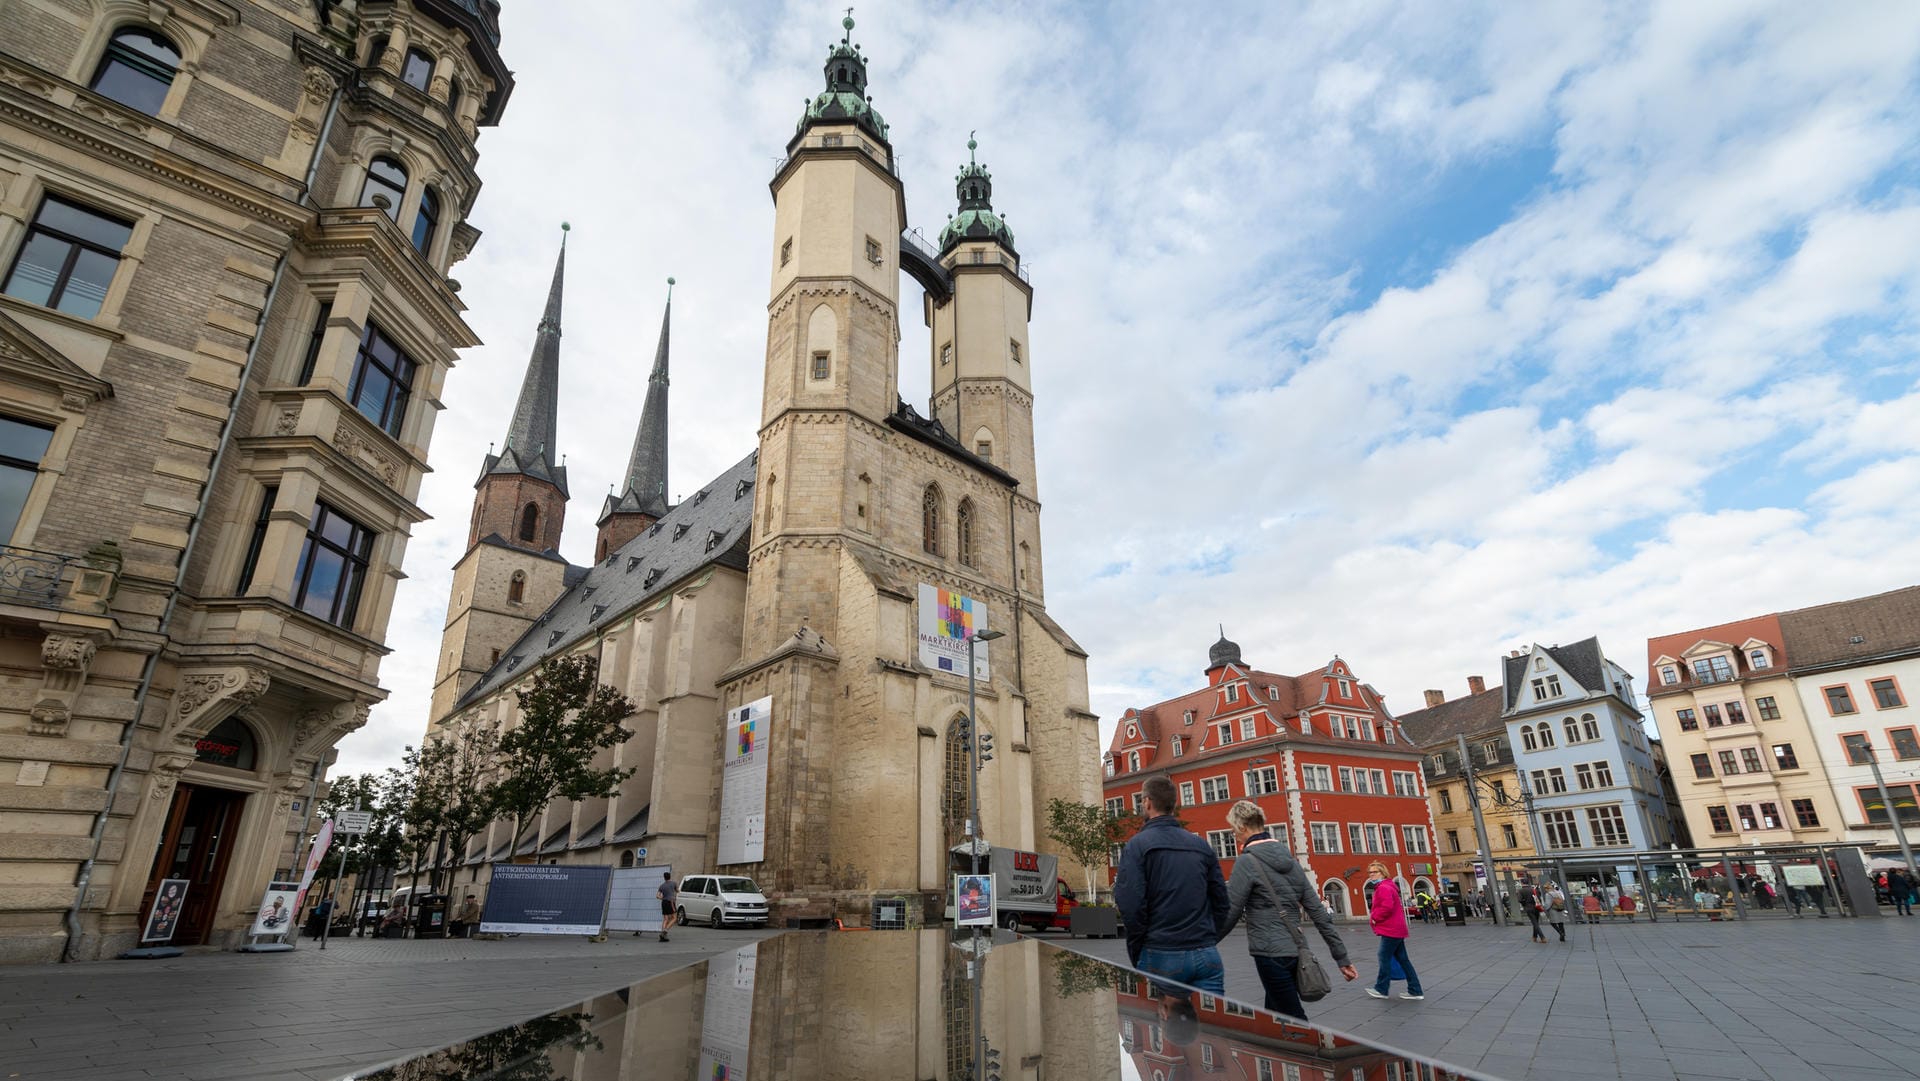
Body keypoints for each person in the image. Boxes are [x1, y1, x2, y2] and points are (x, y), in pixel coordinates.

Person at [1215, 801, 1357, 1018]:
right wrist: (1342, 957)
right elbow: (1319, 913)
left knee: (1293, 1018)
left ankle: (1310, 1049)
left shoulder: (1246, 862)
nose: (1235, 837)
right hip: (1297, 950)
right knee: (1273, 1015)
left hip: (1269, 952)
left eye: (1234, 831)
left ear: (1243, 828)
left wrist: (1203, 944)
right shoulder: (1291, 862)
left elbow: (1231, 911)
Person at [1114, 775, 1230, 994]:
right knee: (1210, 1023)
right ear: (1174, 804)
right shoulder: (1201, 845)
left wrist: (1139, 947)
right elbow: (1221, 901)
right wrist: (1207, 938)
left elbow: (1131, 904)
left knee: (1171, 1023)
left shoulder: (1137, 845)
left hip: (1162, 950)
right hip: (1206, 954)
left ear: (1147, 802)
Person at [1363, 864, 1423, 1001]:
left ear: (1382, 872)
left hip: (1391, 929)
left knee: (1383, 956)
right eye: (1370, 872)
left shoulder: (1383, 888)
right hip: (1396, 928)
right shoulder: (1388, 886)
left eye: (1374, 872)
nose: (1371, 875)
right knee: (1403, 960)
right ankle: (1415, 990)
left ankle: (1381, 989)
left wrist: (1374, 918)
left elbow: (1387, 907)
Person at [657, 871, 679, 942]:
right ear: (670, 876)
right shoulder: (674, 883)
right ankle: (665, 931)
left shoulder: (661, 886)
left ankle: (663, 934)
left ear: (664, 878)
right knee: (674, 917)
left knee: (665, 919)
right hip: (671, 902)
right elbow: (677, 890)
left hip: (664, 902)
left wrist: (663, 898)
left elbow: (657, 896)